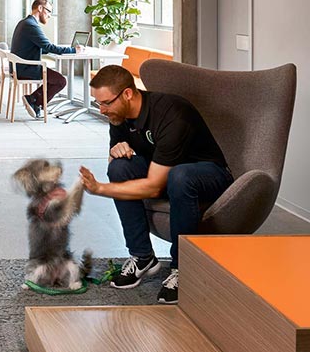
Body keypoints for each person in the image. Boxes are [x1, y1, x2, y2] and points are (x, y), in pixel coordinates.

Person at [78, 64, 232, 305]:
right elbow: (114, 163)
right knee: (120, 167)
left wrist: (100, 189)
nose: (102, 109)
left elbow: (152, 187)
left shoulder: (171, 113)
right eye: (99, 103)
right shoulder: (118, 117)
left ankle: (183, 270)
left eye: (106, 103)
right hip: (163, 172)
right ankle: (142, 257)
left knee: (179, 176)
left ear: (127, 94)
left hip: (208, 174)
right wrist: (117, 151)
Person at [10, 0, 76, 118]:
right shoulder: (31, 25)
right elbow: (48, 46)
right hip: (25, 68)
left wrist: (54, 49)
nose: (50, 15)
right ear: (40, 8)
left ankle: (35, 101)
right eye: (49, 11)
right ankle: (33, 100)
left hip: (19, 67)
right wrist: (74, 50)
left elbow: (41, 47)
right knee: (60, 81)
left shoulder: (25, 22)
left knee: (55, 78)